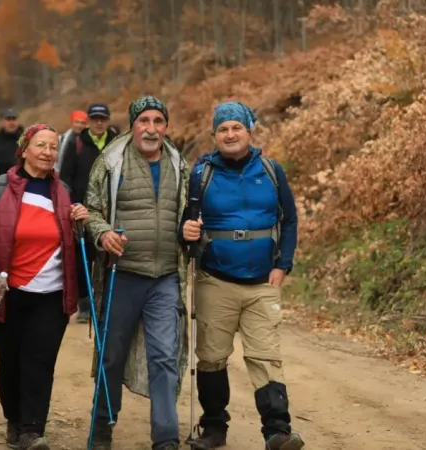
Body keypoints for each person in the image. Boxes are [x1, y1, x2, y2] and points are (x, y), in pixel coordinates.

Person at [181, 101, 303, 450]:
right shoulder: (201, 173)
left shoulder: (270, 169)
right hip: (215, 280)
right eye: (223, 129)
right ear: (214, 136)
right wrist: (185, 230)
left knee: (266, 356)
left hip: (263, 282)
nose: (230, 134)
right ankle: (215, 430)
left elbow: (290, 219)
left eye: (236, 127)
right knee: (212, 356)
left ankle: (277, 432)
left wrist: (284, 263)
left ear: (250, 131)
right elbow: (184, 221)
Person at [0, 123, 89, 450]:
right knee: (11, 362)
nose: (48, 152)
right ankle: (14, 420)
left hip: (51, 295)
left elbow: (74, 243)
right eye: (41, 145)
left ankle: (32, 429)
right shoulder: (0, 187)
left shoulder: (63, 190)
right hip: (8, 293)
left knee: (39, 361)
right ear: (24, 149)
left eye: (53, 146)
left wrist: (81, 219)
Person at [84, 96, 189, 450]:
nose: (152, 128)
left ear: (166, 126)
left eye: (159, 121)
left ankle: (166, 438)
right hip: (122, 275)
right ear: (133, 125)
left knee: (164, 356)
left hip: (165, 279)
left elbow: (189, 212)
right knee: (111, 356)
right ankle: (102, 428)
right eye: (144, 121)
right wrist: (102, 233)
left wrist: (191, 229)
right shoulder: (111, 161)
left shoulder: (179, 163)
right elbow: (92, 211)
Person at [61, 103, 118, 323]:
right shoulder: (76, 144)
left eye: (102, 118)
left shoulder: (117, 144)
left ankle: (104, 300)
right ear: (89, 120)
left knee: (107, 256)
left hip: (111, 209)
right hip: (81, 210)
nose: (98, 122)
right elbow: (65, 177)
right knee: (83, 258)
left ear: (108, 120)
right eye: (94, 118)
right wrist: (71, 206)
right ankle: (85, 303)